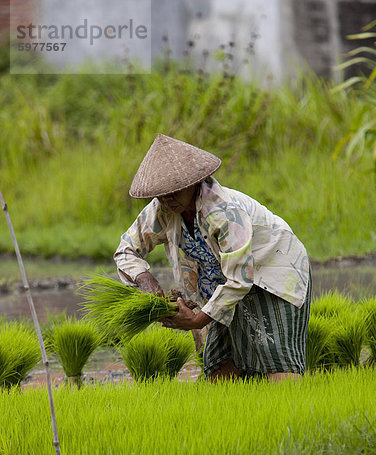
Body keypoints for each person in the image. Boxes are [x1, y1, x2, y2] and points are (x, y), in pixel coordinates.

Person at [114, 134, 311, 382]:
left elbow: (240, 279)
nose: (168, 198)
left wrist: (198, 319)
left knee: (274, 357)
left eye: (174, 190)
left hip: (272, 272)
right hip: (227, 281)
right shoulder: (162, 209)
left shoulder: (223, 211)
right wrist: (144, 279)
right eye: (161, 193)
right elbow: (126, 249)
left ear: (195, 183)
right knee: (219, 369)